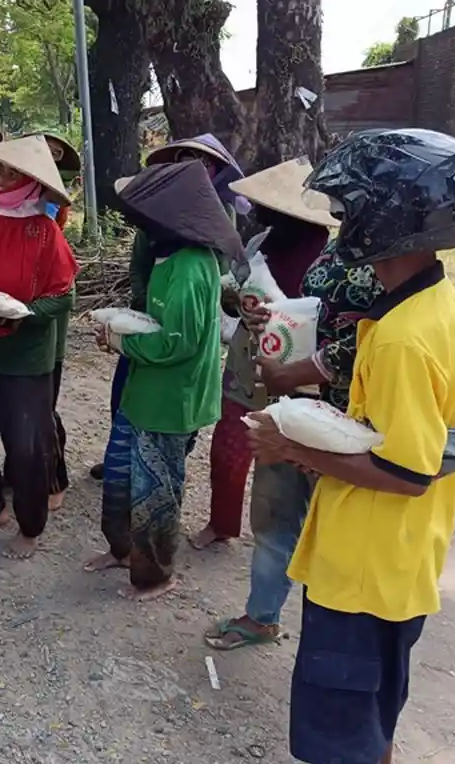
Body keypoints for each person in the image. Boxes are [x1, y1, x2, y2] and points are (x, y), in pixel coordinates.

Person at [246, 129, 455, 764]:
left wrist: (289, 447)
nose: (340, 220)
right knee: (368, 721)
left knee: (338, 738)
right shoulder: (431, 302)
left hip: (365, 572)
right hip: (398, 562)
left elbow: (407, 471)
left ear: (389, 216)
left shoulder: (403, 336)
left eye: (350, 208)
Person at [201, 159, 369, 650]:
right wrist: (258, 317)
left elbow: (365, 341)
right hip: (286, 406)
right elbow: (286, 319)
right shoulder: (323, 259)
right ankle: (262, 615)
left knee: (334, 527)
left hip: (343, 417)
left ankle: (334, 631)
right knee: (274, 516)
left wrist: (299, 371)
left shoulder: (366, 266)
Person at [85, 160, 243, 601]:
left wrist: (119, 342)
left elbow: (177, 344)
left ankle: (156, 574)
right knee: (119, 479)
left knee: (156, 493)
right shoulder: (169, 256)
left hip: (174, 401)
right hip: (144, 392)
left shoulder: (193, 267)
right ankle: (122, 551)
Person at [190, 158, 330, 549]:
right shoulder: (258, 244)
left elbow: (326, 318)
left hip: (297, 373)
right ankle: (222, 523)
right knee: (229, 446)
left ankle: (289, 536)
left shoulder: (326, 257)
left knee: (290, 460)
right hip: (246, 363)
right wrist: (239, 304)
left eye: (269, 207)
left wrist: (282, 316)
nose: (260, 212)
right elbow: (234, 288)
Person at [91, 133, 246, 483]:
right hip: (147, 317)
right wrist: (140, 312)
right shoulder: (159, 214)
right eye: (184, 157)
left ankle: (160, 458)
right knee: (129, 392)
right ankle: (132, 457)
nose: (192, 166)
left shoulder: (211, 228)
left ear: (217, 171)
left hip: (179, 322)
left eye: (202, 161)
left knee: (165, 430)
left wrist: (173, 310)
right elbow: (141, 265)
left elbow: (209, 288)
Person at [0, 135, 79, 559]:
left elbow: (63, 297)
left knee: (26, 445)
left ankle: (30, 526)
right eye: (1, 172)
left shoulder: (46, 234)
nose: (3, 180)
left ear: (34, 183)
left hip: (25, 357)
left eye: (13, 173)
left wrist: (19, 313)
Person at [3, 132, 80, 509]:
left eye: (53, 156)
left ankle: (53, 478)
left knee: (41, 407)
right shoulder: (5, 204)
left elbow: (61, 291)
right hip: (15, 317)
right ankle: (16, 471)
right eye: (42, 153)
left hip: (44, 319)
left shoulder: (50, 209)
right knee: (16, 406)